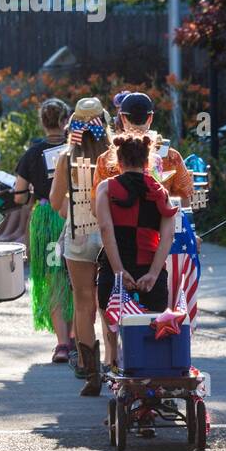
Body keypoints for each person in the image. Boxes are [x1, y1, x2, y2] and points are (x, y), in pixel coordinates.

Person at [50, 97, 112, 393]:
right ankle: (115, 362)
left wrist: (73, 212)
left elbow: (54, 201)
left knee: (83, 301)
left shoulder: (66, 158)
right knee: (113, 301)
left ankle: (91, 373)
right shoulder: (114, 155)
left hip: (79, 234)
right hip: (111, 233)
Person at [13, 98, 75, 361]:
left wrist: (32, 198)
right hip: (73, 215)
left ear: (43, 122)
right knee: (77, 279)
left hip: (45, 219)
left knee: (53, 278)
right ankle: (76, 338)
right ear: (65, 121)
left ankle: (62, 343)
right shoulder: (76, 150)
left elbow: (18, 195)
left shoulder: (32, 153)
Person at [95, 131, 178, 320]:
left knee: (112, 339)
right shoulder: (160, 192)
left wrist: (118, 271)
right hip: (149, 273)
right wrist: (154, 274)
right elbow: (168, 236)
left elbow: (106, 229)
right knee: (151, 339)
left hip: (114, 269)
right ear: (147, 163)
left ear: (119, 162)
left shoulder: (106, 188)